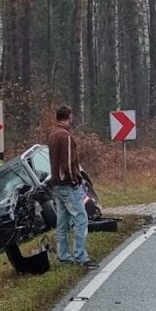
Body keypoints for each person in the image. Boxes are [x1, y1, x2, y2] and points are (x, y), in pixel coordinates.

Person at [47, 105, 95, 268]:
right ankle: (81, 256)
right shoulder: (65, 136)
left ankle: (63, 255)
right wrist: (74, 179)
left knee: (63, 221)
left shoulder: (53, 135)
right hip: (67, 184)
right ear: (69, 116)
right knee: (81, 219)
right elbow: (68, 161)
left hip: (56, 185)